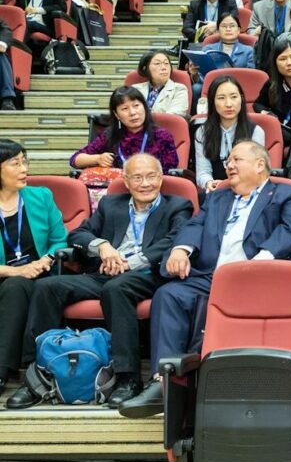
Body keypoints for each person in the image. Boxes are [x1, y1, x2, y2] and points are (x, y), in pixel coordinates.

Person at [121, 141, 291, 418]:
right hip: (211, 275)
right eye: (228, 160)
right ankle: (164, 381)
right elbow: (194, 226)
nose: (228, 165)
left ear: (260, 165)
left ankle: (196, 386)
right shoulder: (218, 197)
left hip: (257, 278)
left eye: (236, 160)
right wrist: (181, 250)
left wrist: (260, 262)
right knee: (169, 294)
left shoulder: (285, 194)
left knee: (209, 309)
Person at [16, 152, 192, 409]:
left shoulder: (177, 205)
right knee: (46, 287)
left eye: (152, 176)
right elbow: (79, 233)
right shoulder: (112, 204)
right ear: (127, 181)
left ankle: (128, 378)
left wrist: (128, 263)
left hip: (148, 276)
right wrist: (104, 248)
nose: (145, 183)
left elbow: (174, 240)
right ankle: (36, 374)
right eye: (138, 177)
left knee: (116, 288)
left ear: (161, 178)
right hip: (105, 271)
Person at [0, 140, 67, 398]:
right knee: (16, 285)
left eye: (24, 161)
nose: (23, 168)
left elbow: (60, 240)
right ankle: (20, 367)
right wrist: (16, 271)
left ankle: (4, 370)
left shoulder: (41, 196)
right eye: (15, 164)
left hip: (40, 273)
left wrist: (45, 260)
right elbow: (16, 275)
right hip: (8, 274)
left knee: (24, 287)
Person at [70, 86, 179, 175]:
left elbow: (170, 172)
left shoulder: (162, 136)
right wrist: (98, 158)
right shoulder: (109, 135)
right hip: (117, 191)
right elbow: (75, 160)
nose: (132, 112)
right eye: (125, 109)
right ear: (116, 114)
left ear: (144, 108)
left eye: (136, 106)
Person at [193, 76, 266, 194]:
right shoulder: (202, 132)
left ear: (242, 99)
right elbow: (203, 172)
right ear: (212, 101)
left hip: (247, 192)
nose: (228, 104)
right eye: (221, 98)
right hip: (215, 192)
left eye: (234, 97)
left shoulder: (255, 131)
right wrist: (209, 182)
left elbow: (256, 172)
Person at [184, 13, 254, 95]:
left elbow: (251, 76)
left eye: (232, 26)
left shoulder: (248, 51)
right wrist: (194, 74)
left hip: (237, 87)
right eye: (224, 26)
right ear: (218, 30)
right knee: (196, 88)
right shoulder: (208, 49)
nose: (228, 29)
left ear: (238, 30)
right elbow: (201, 79)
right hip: (213, 87)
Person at [135, 50, 189, 118]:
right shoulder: (135, 89)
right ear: (145, 68)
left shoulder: (179, 89)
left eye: (166, 63)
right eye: (157, 63)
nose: (164, 68)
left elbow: (174, 117)